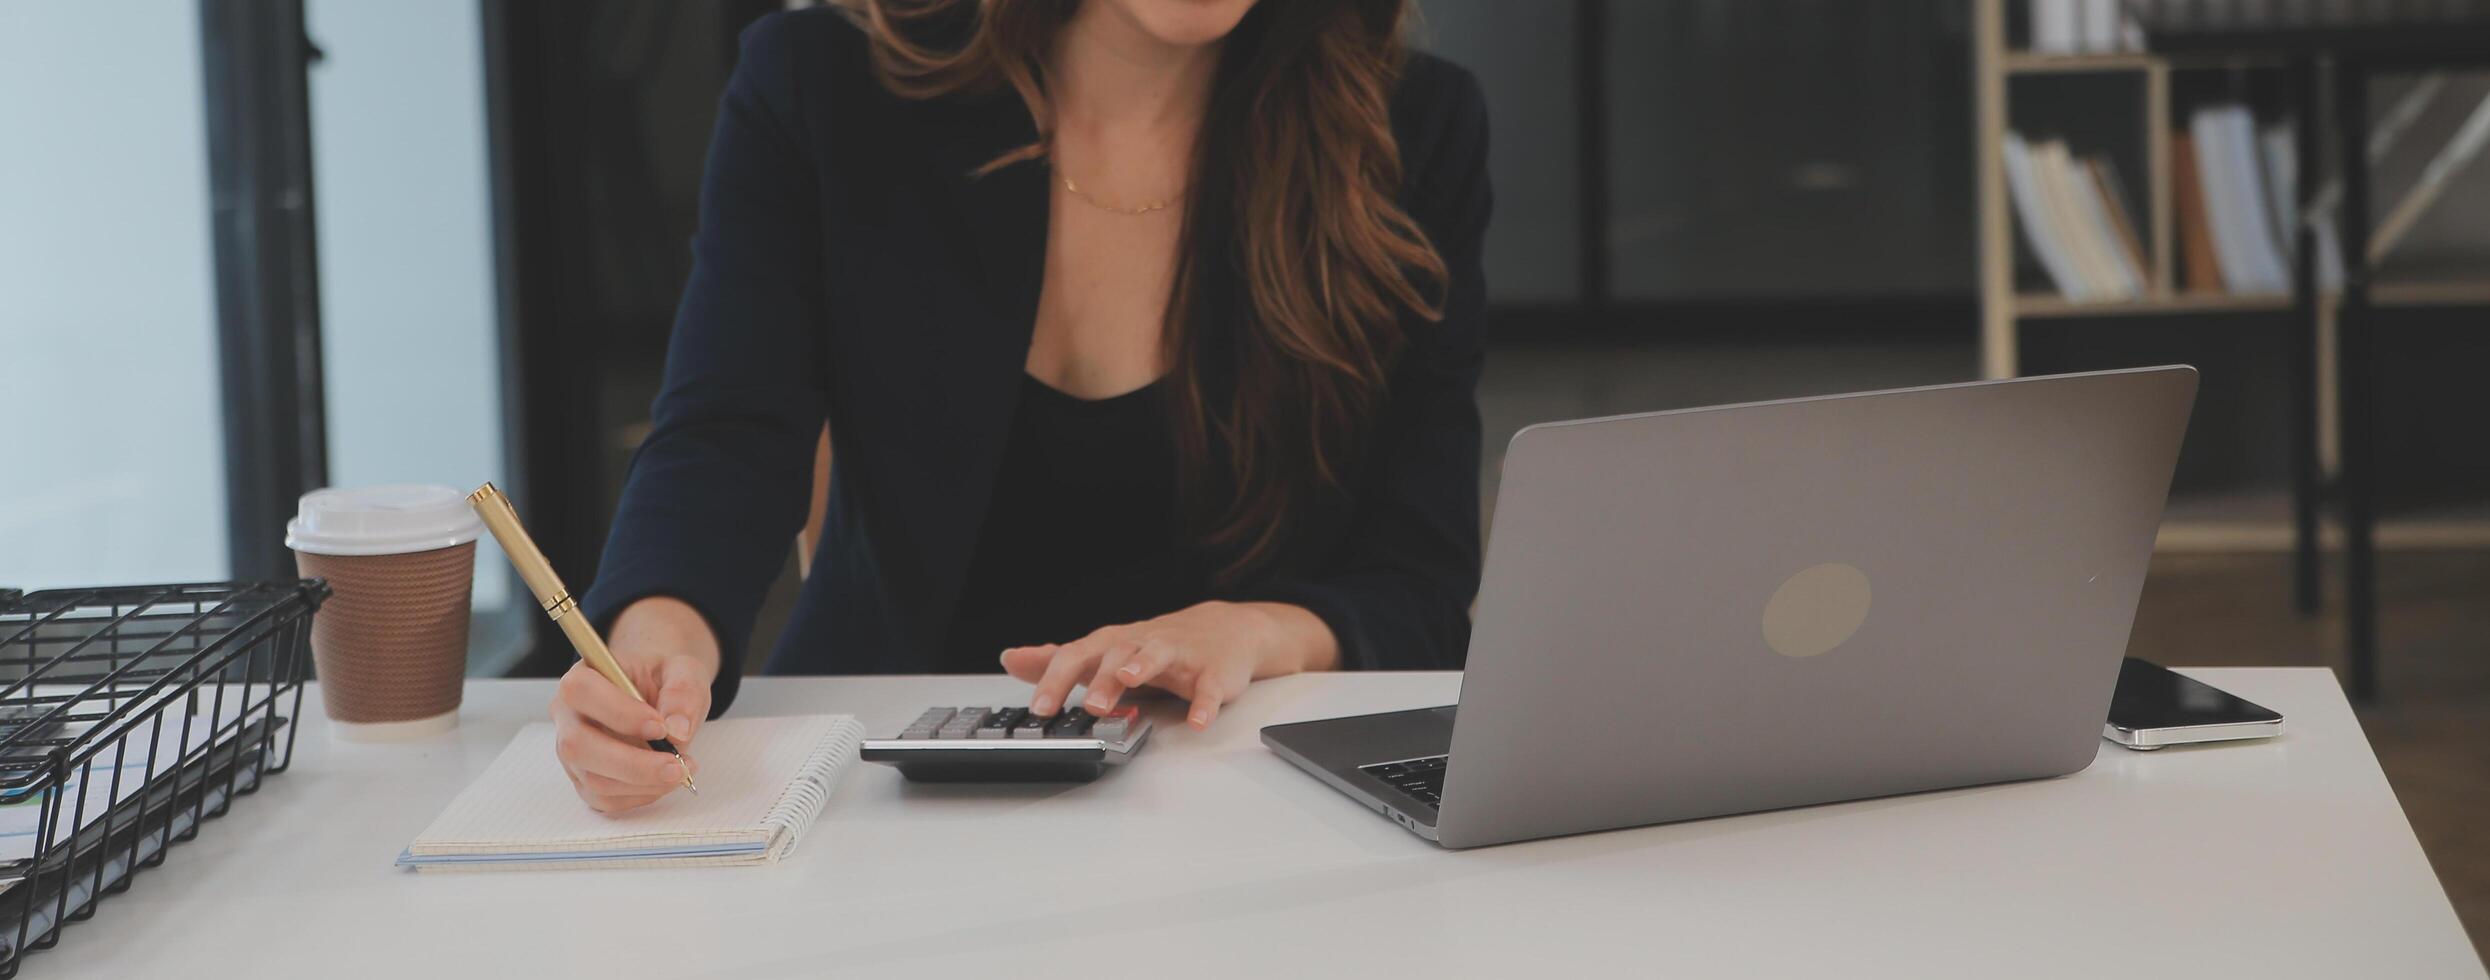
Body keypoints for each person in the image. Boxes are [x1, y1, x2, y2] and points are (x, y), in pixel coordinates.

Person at [554, 0, 1490, 812]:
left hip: (1246, 789)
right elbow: (727, 434)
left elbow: (1421, 584)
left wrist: (1249, 630)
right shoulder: (820, 83)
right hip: (882, 777)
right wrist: (654, 648)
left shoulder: (1410, 127)